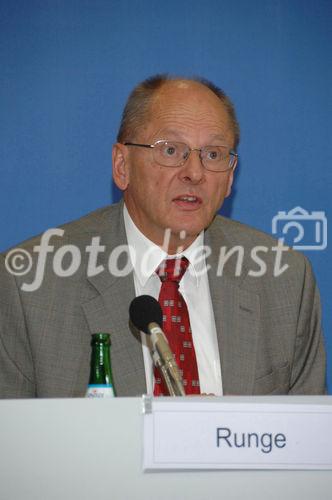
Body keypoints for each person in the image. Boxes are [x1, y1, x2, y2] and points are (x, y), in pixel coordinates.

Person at [0, 75, 326, 398]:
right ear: (122, 165)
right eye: (171, 150)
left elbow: (305, 440)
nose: (195, 173)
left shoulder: (283, 279)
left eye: (213, 154)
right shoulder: (30, 285)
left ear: (229, 179)